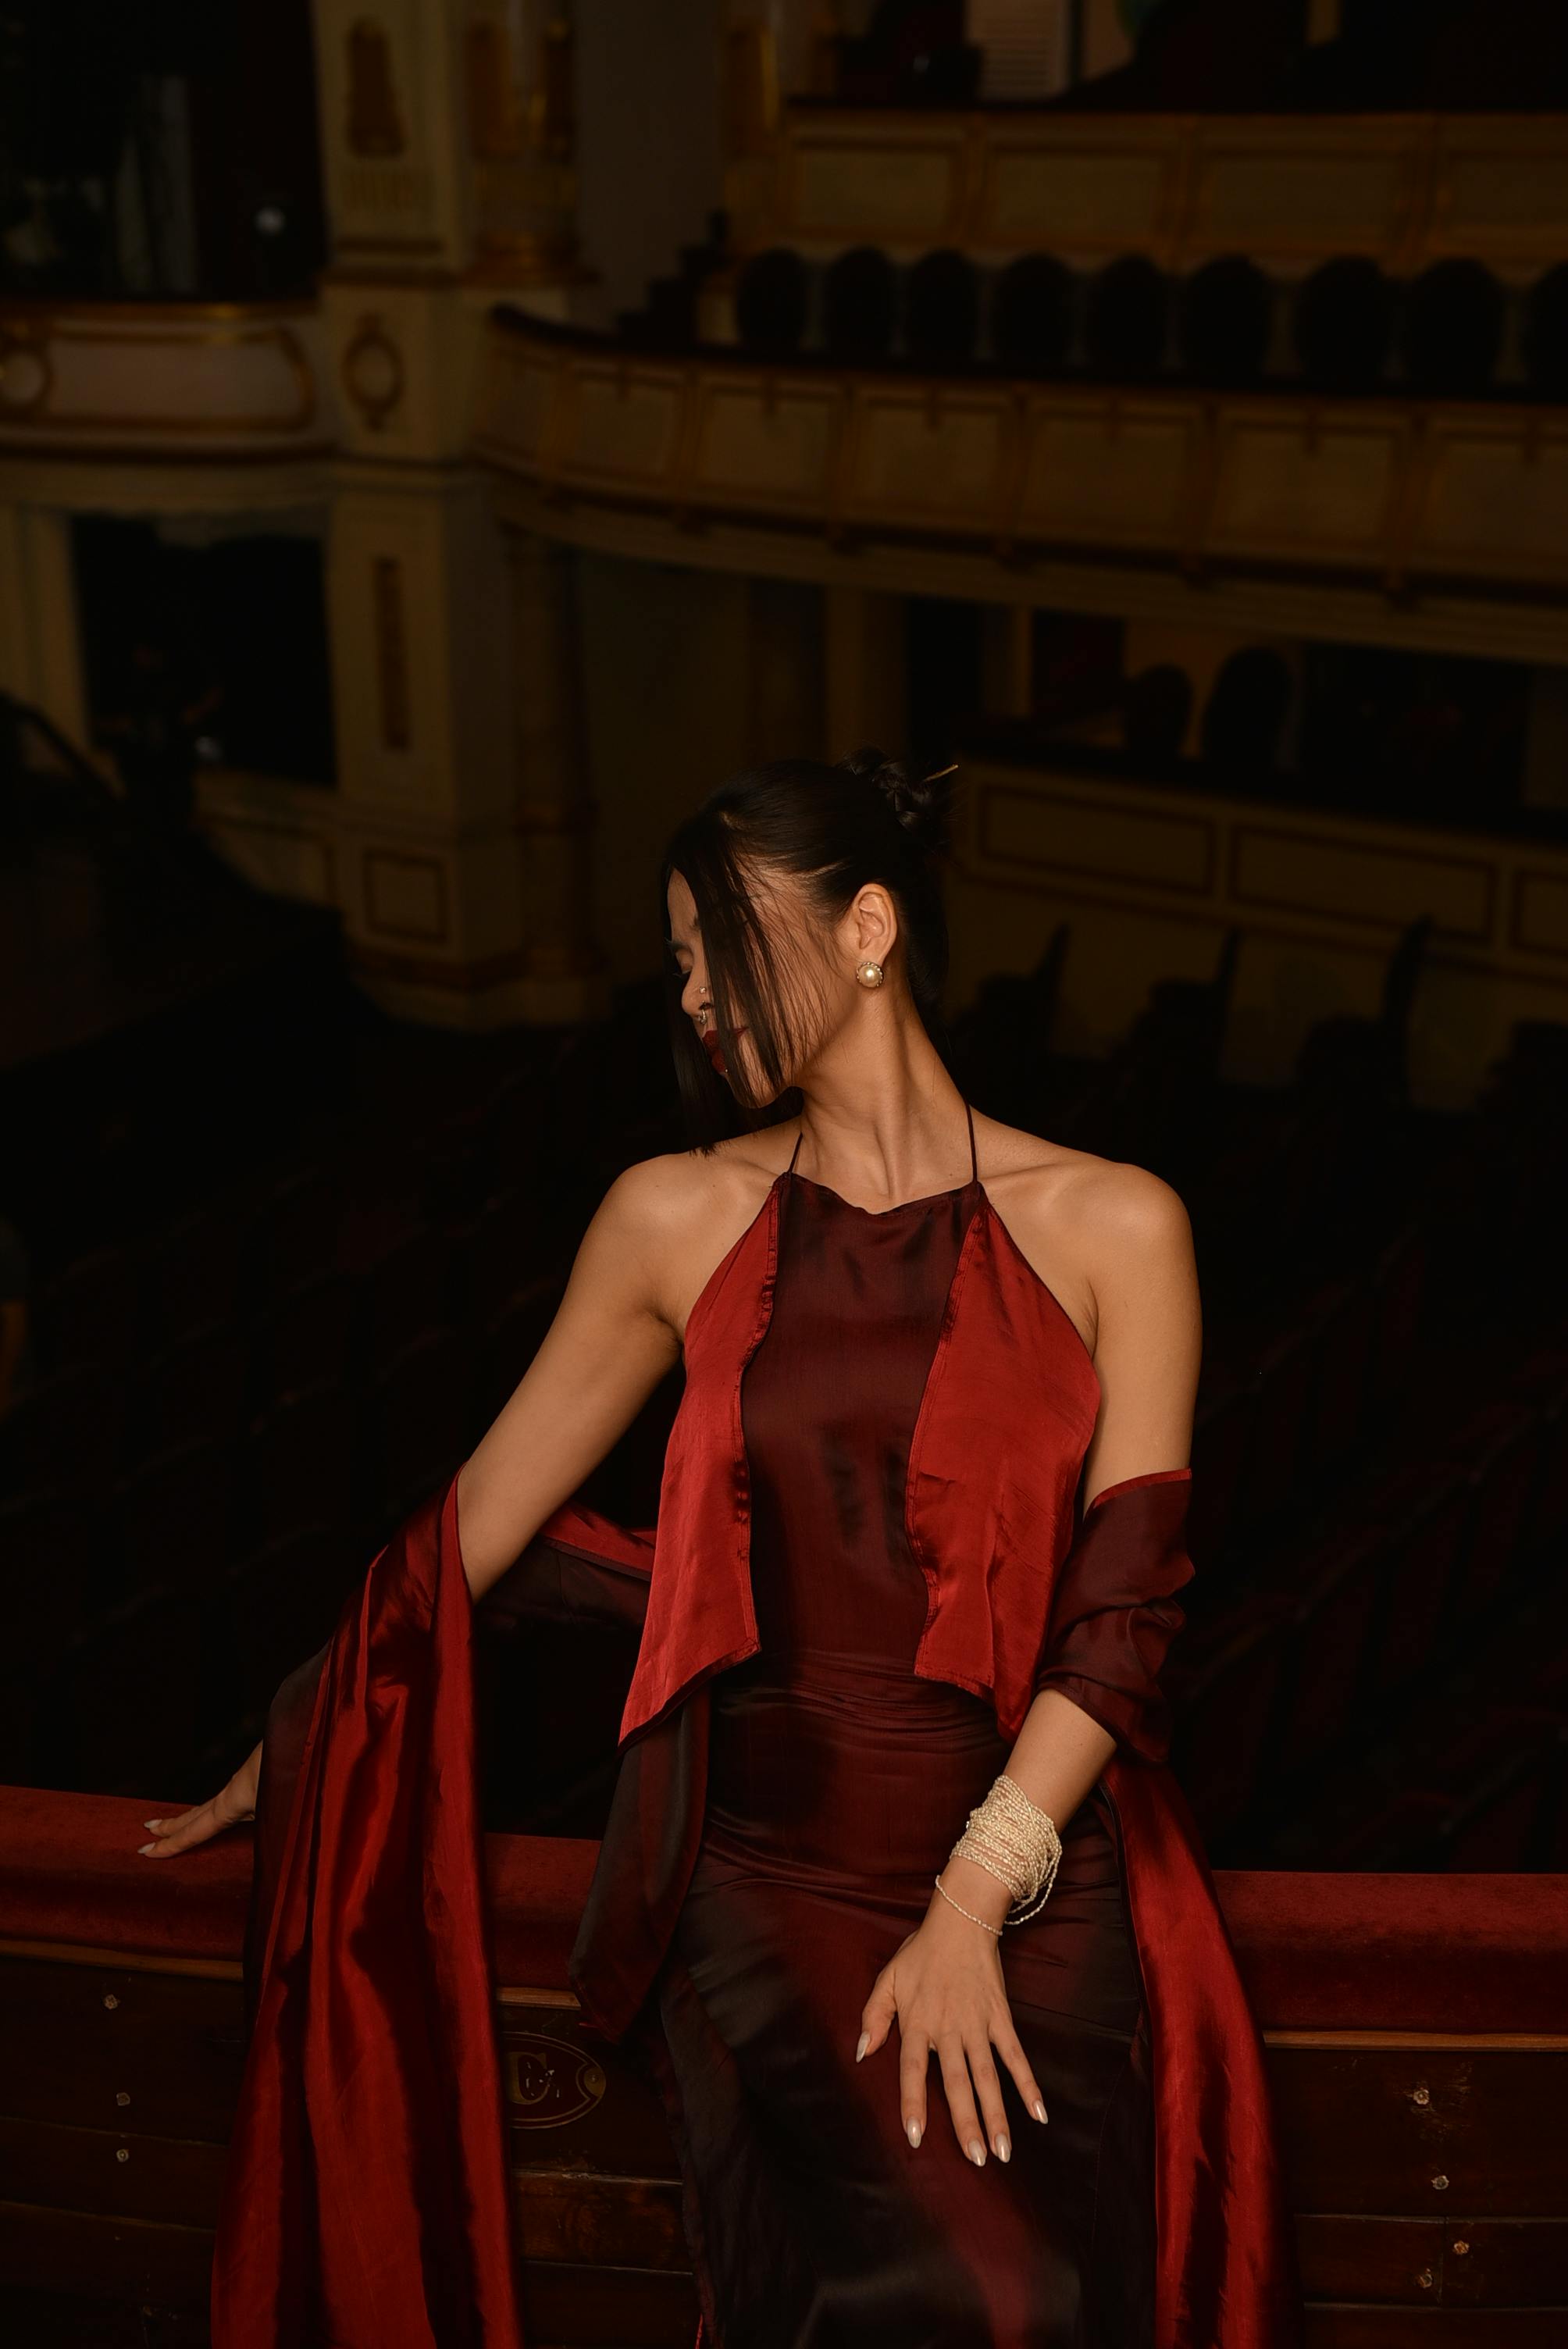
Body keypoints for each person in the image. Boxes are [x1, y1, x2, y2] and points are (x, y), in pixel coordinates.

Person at [139, 750, 1300, 2348]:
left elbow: (1123, 1612)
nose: (687, 995)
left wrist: (973, 1900)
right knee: (992, 2298)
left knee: (1057, 2296)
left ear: (868, 927)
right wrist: (312, 1725)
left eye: (712, 948)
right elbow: (473, 1526)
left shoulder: (1117, 1224)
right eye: (675, 963)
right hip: (768, 1877)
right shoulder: (666, 1218)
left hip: (1034, 1883)